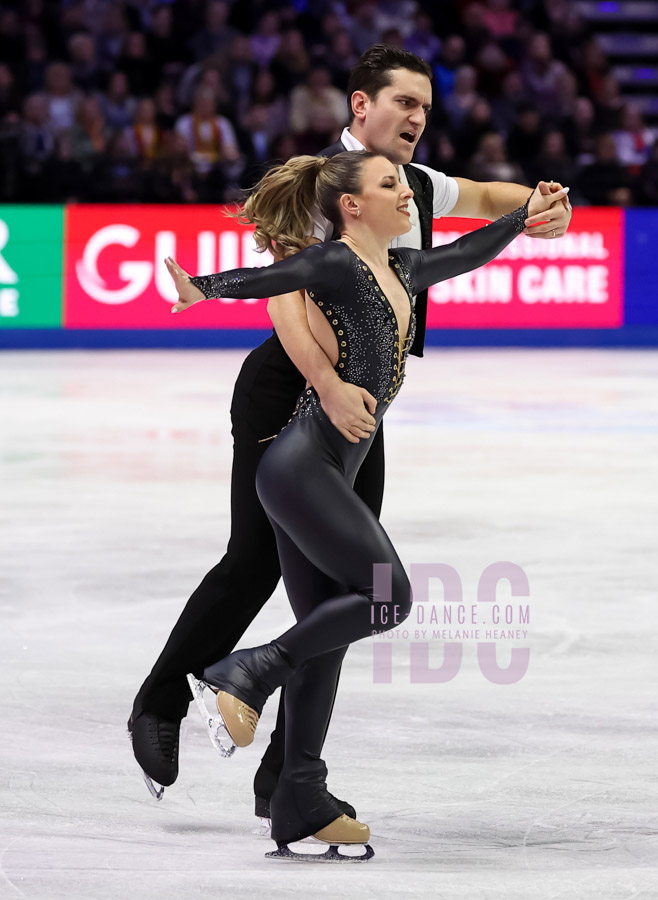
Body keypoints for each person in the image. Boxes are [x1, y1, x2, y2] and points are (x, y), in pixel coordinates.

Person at [128, 45, 573, 820]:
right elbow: (285, 304)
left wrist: (537, 206)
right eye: (404, 103)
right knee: (253, 565)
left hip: (362, 410)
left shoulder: (413, 187)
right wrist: (327, 386)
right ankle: (163, 703)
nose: (417, 119)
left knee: (345, 589)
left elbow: (480, 197)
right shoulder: (326, 185)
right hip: (290, 394)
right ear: (360, 106)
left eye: (427, 109)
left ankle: (286, 776)